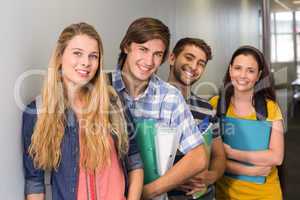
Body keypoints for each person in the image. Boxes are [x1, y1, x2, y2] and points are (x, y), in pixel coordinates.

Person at [22, 22, 143, 200]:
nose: (86, 62)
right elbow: (35, 183)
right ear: (60, 56)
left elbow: (135, 162)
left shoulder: (114, 103)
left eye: (93, 56)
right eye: (77, 53)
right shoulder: (38, 112)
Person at [111, 17, 208, 199]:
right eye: (143, 49)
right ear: (126, 46)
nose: (149, 61)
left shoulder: (170, 97)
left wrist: (148, 192)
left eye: (157, 54)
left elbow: (198, 156)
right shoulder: (100, 89)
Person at [209, 45, 284, 199]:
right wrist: (251, 170)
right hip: (225, 194)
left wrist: (230, 153)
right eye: (238, 68)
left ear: (258, 75)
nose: (242, 75)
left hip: (264, 194)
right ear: (230, 70)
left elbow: (276, 157)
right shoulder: (214, 105)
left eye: (250, 70)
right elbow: (206, 155)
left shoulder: (270, 108)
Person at [167, 37, 225, 200]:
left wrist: (212, 176)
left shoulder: (206, 109)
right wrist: (172, 180)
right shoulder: (152, 103)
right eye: (189, 58)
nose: (194, 67)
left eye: (201, 63)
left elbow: (219, 156)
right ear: (172, 58)